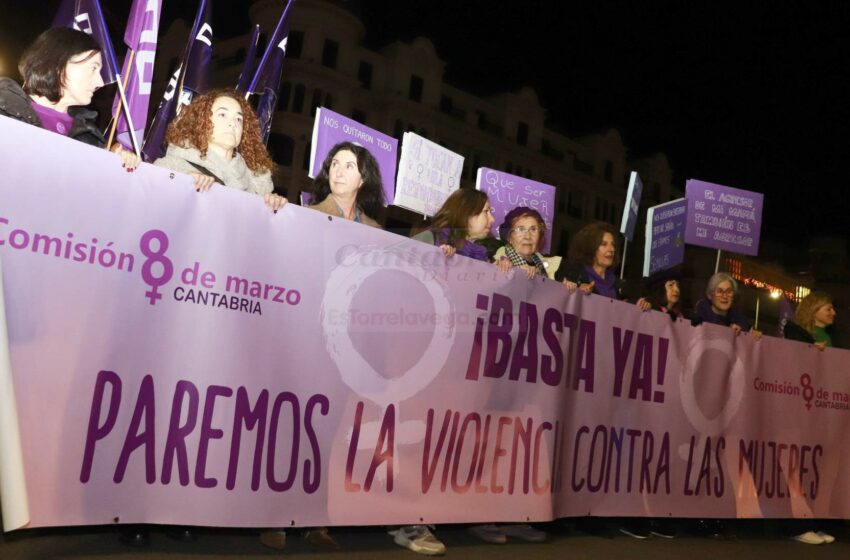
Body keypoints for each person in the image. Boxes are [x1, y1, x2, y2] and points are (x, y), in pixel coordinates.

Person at [0, 27, 139, 169]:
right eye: (93, 68)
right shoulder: (5, 111)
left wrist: (112, 162)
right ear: (58, 64)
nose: (100, 82)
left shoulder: (89, 136)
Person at [154, 88, 286, 211]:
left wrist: (274, 208)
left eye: (238, 119)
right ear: (201, 122)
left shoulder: (257, 187)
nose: (232, 123)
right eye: (222, 115)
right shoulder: (172, 167)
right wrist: (180, 183)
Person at [555, 222, 650, 309]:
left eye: (613, 245)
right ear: (590, 248)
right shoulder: (573, 273)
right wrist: (577, 293)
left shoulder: (619, 285)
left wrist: (638, 307)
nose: (611, 249)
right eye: (604, 244)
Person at [309, 141, 384, 227]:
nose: (338, 173)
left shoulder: (374, 230)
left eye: (349, 166)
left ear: (363, 179)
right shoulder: (309, 216)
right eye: (335, 164)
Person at [411, 188, 495, 261]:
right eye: (486, 211)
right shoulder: (429, 238)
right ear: (466, 213)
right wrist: (434, 257)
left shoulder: (484, 255)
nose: (492, 219)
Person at [493, 207, 561, 279]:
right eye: (521, 229)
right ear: (509, 237)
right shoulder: (496, 262)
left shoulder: (548, 268)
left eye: (533, 229)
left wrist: (563, 288)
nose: (528, 236)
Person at [693, 273, 762, 338]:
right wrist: (727, 331)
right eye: (720, 291)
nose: (725, 296)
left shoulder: (740, 321)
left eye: (729, 291)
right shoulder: (697, 321)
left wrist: (752, 335)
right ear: (710, 295)